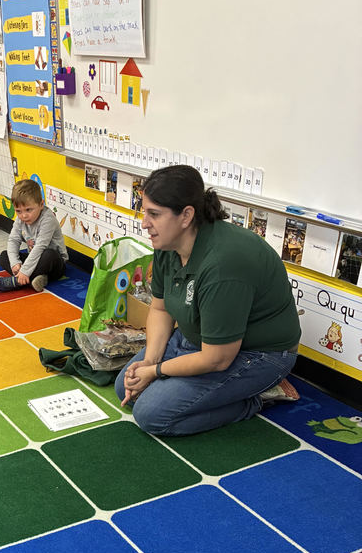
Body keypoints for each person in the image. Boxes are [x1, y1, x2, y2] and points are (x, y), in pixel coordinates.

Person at [115, 165, 301, 436]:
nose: (145, 223)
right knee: (126, 386)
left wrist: (156, 371)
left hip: (256, 355)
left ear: (186, 215)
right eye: (145, 212)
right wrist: (149, 363)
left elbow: (217, 359)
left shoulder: (223, 264)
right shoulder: (169, 244)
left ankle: (258, 397)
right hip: (200, 340)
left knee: (150, 415)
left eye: (154, 214)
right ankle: (221, 391)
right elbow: (160, 308)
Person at [0, 179, 68, 294]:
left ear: (41, 204)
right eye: (18, 211)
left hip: (54, 264)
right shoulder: (20, 219)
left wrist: (25, 271)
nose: (24, 215)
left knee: (49, 254)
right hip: (33, 259)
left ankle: (17, 282)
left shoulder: (48, 219)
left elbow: (40, 247)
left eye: (28, 210)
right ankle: (36, 279)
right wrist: (15, 263)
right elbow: (13, 240)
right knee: (4, 256)